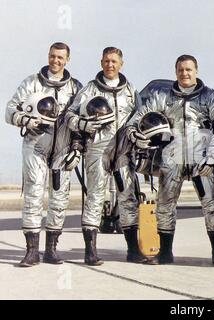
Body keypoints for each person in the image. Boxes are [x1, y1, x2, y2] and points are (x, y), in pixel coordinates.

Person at [126, 55, 214, 266]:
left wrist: (212, 158)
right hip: (172, 157)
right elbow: (140, 115)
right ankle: (165, 253)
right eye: (181, 70)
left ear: (196, 71)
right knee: (164, 205)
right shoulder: (162, 96)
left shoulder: (209, 96)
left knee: (212, 206)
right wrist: (134, 132)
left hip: (202, 158)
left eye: (189, 69)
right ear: (176, 72)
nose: (185, 74)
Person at [66, 47, 146, 265]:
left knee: (128, 199)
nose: (110, 65)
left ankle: (133, 250)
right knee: (94, 198)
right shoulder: (89, 90)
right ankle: (90, 251)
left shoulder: (130, 90)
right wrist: (84, 124)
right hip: (97, 149)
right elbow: (70, 116)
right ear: (101, 62)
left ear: (121, 64)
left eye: (114, 61)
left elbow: (140, 117)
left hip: (123, 150)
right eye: (106, 61)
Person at [5, 42, 82, 267]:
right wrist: (24, 119)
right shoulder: (32, 83)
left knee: (59, 200)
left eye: (60, 57)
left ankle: (51, 250)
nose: (55, 61)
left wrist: (77, 148)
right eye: (52, 56)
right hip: (36, 146)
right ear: (48, 56)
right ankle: (31, 251)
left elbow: (79, 119)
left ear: (67, 59)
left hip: (63, 150)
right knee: (33, 196)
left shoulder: (75, 87)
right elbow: (10, 110)